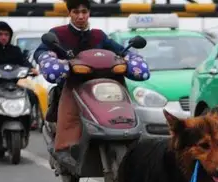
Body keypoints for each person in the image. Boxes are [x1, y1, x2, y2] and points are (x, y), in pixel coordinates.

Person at [33, 0, 149, 170]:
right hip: (73, 84)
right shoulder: (58, 34)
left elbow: (119, 51)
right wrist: (48, 58)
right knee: (69, 104)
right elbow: (41, 51)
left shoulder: (99, 35)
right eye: (76, 12)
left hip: (104, 83)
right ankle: (64, 146)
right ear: (69, 13)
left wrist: (130, 58)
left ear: (89, 13)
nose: (80, 16)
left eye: (84, 12)